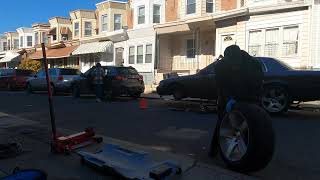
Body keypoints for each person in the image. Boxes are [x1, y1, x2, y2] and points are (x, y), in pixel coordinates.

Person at [209, 45, 264, 156]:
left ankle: (249, 153)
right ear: (226, 60)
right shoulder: (220, 66)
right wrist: (228, 99)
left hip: (249, 97)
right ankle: (214, 149)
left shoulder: (253, 64)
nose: (235, 67)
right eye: (232, 65)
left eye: (237, 64)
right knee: (222, 122)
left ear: (240, 57)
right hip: (228, 97)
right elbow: (222, 86)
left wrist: (252, 101)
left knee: (250, 125)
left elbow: (257, 85)